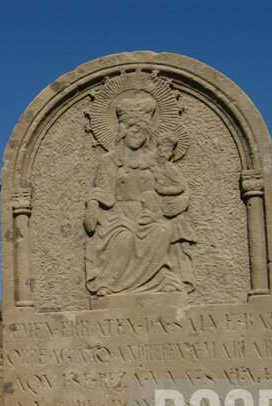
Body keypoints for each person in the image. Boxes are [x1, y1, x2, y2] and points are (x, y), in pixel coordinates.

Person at [83, 91, 196, 296]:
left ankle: (160, 280)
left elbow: (177, 183)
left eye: (142, 131)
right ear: (122, 131)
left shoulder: (155, 161)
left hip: (148, 214)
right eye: (132, 130)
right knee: (124, 237)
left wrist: (184, 199)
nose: (137, 135)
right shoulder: (108, 160)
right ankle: (110, 284)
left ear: (148, 134)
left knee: (163, 230)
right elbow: (104, 193)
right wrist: (92, 204)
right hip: (117, 216)